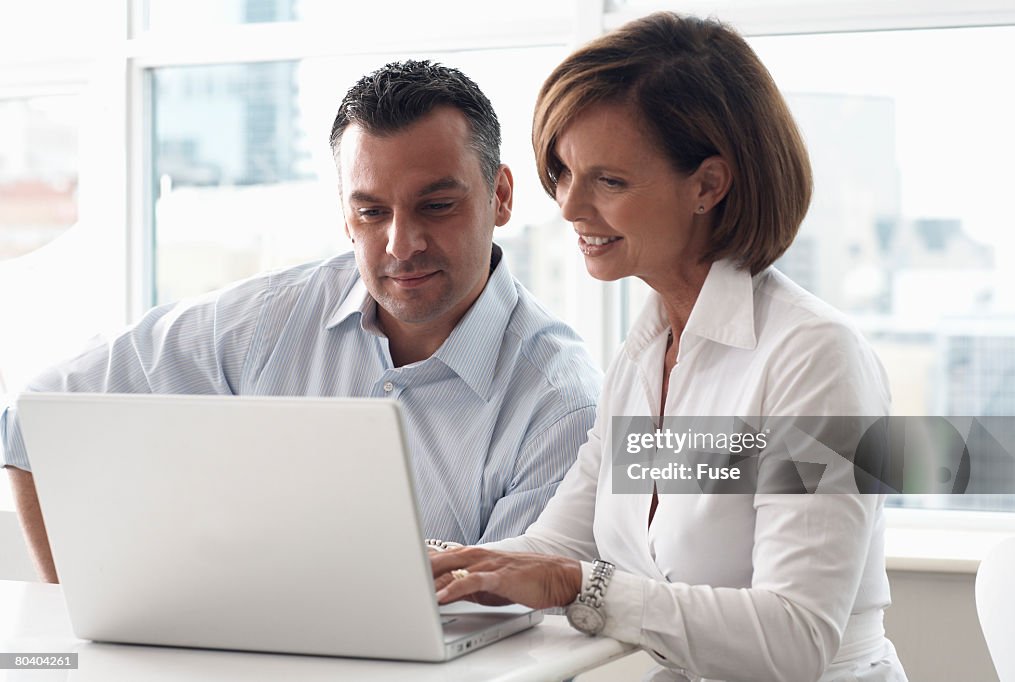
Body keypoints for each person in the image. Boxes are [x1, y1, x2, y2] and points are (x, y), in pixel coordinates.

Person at [430, 13, 907, 682]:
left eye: (609, 181)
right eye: (563, 173)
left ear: (708, 185)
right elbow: (555, 547)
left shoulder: (814, 359)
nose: (569, 206)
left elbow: (797, 639)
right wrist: (436, 570)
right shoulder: (646, 353)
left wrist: (578, 587)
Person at [1, 60, 601, 583]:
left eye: (436, 206)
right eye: (370, 212)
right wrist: (76, 624)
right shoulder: (267, 322)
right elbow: (35, 419)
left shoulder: (561, 403)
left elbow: (509, 630)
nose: (401, 244)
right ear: (345, 216)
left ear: (500, 196)